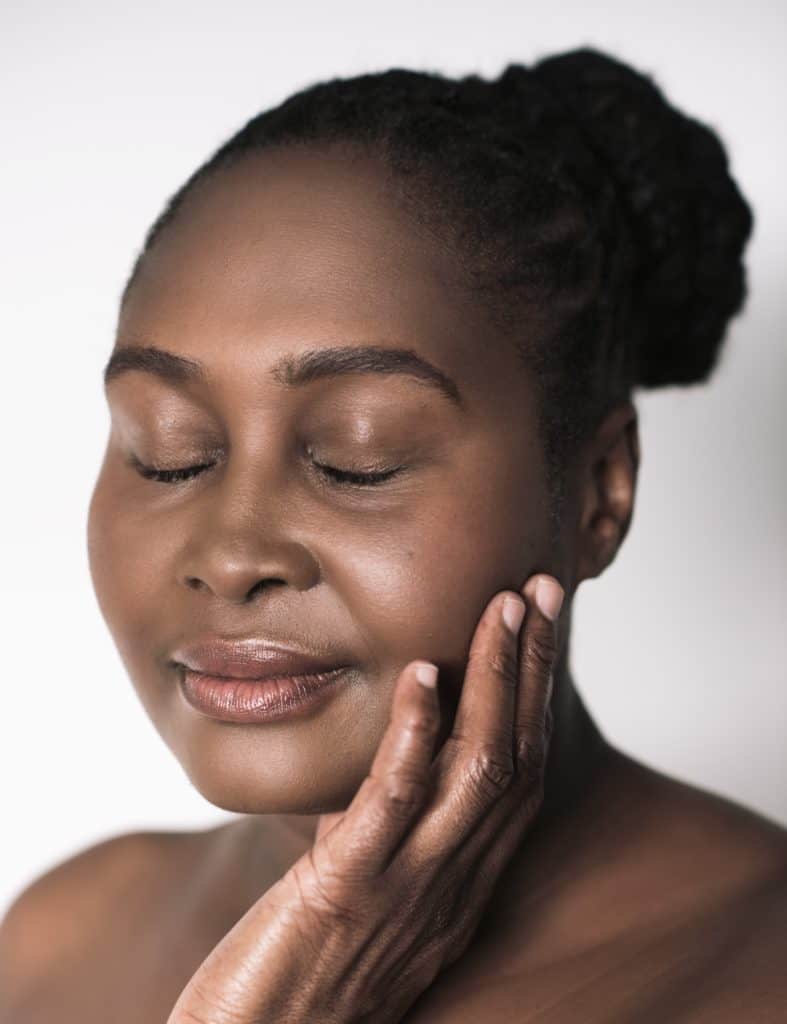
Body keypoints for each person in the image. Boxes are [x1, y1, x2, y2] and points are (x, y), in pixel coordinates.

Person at [1, 46, 785, 1023]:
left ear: (598, 491)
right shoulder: (63, 936)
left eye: (354, 458)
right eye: (168, 453)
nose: (232, 555)